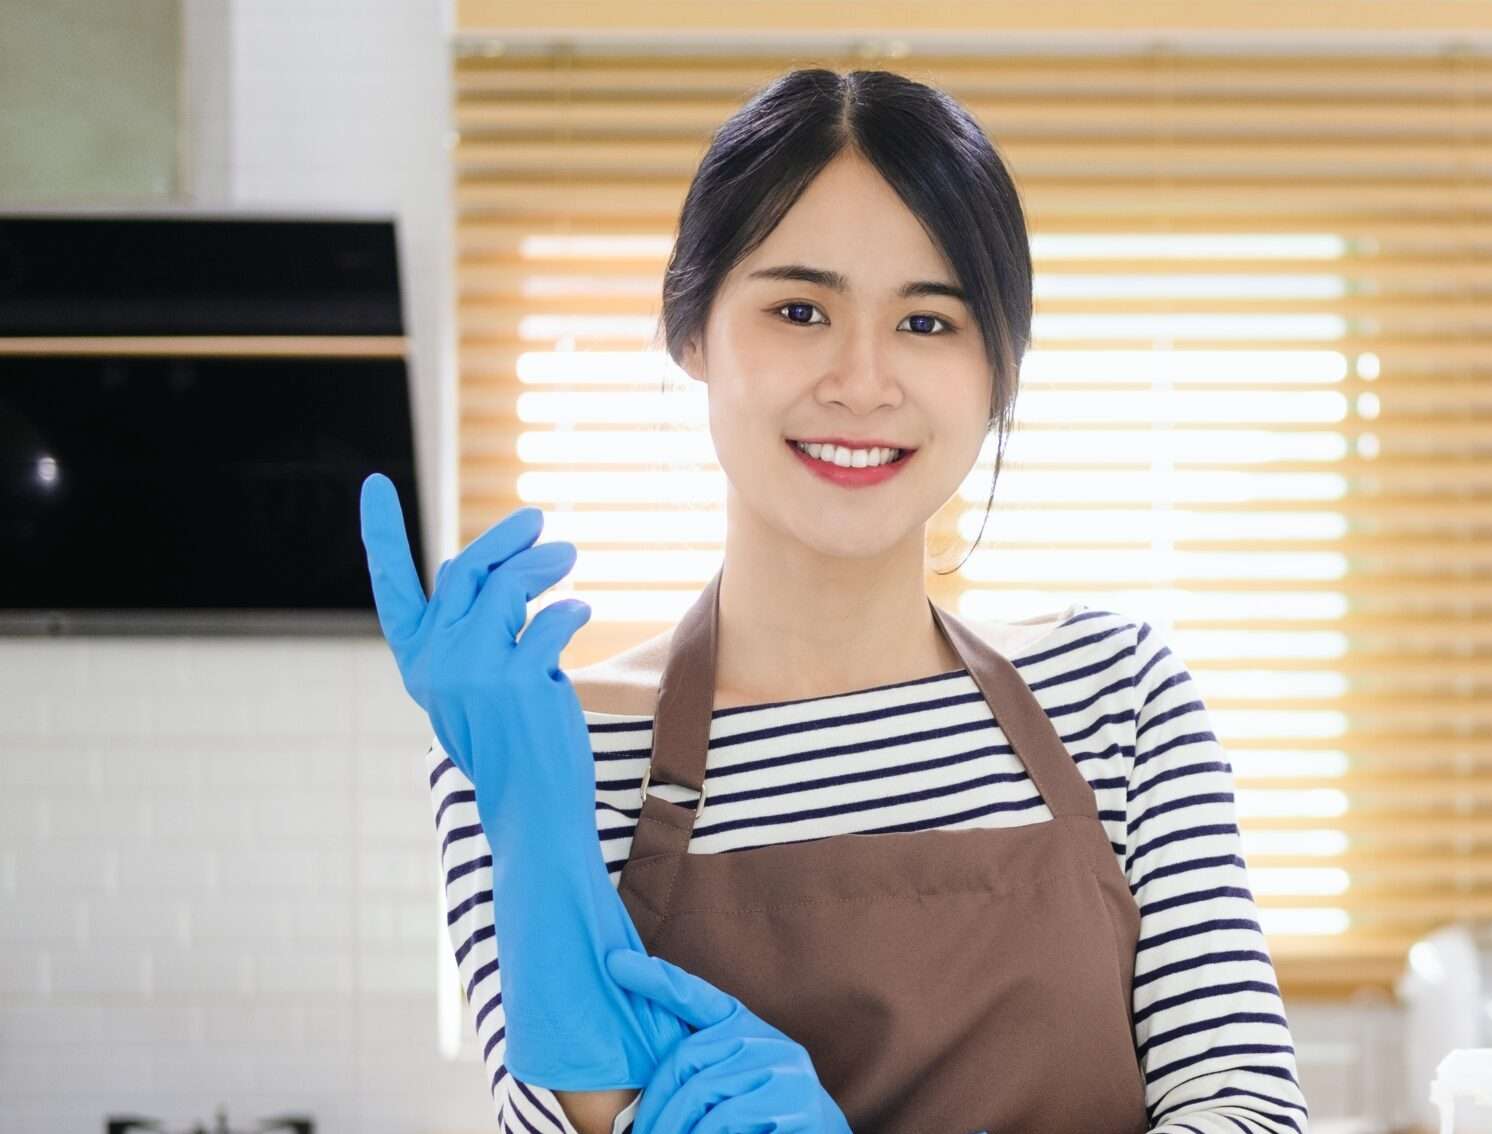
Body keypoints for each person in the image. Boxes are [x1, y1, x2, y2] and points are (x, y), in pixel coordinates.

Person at [419, 67, 1312, 1134]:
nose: (862, 379)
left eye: (929, 323)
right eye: (800, 309)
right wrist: (523, 812)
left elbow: (1247, 1112)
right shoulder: (547, 745)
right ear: (691, 332)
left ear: (999, 369)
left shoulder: (1115, 701)